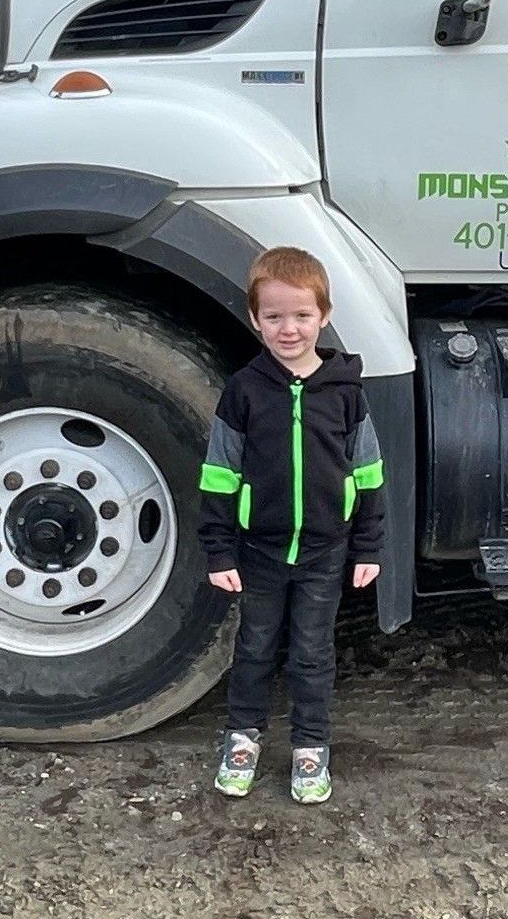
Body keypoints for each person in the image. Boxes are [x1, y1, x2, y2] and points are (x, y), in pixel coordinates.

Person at [198, 246, 385, 805]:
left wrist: (369, 547)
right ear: (255, 320)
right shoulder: (244, 390)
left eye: (301, 315)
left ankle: (311, 745)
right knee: (254, 647)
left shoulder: (347, 392)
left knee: (311, 651)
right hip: (260, 550)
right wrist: (219, 551)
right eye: (274, 316)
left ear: (323, 316)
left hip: (327, 551)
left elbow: (369, 473)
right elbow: (220, 475)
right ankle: (243, 736)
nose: (288, 328)